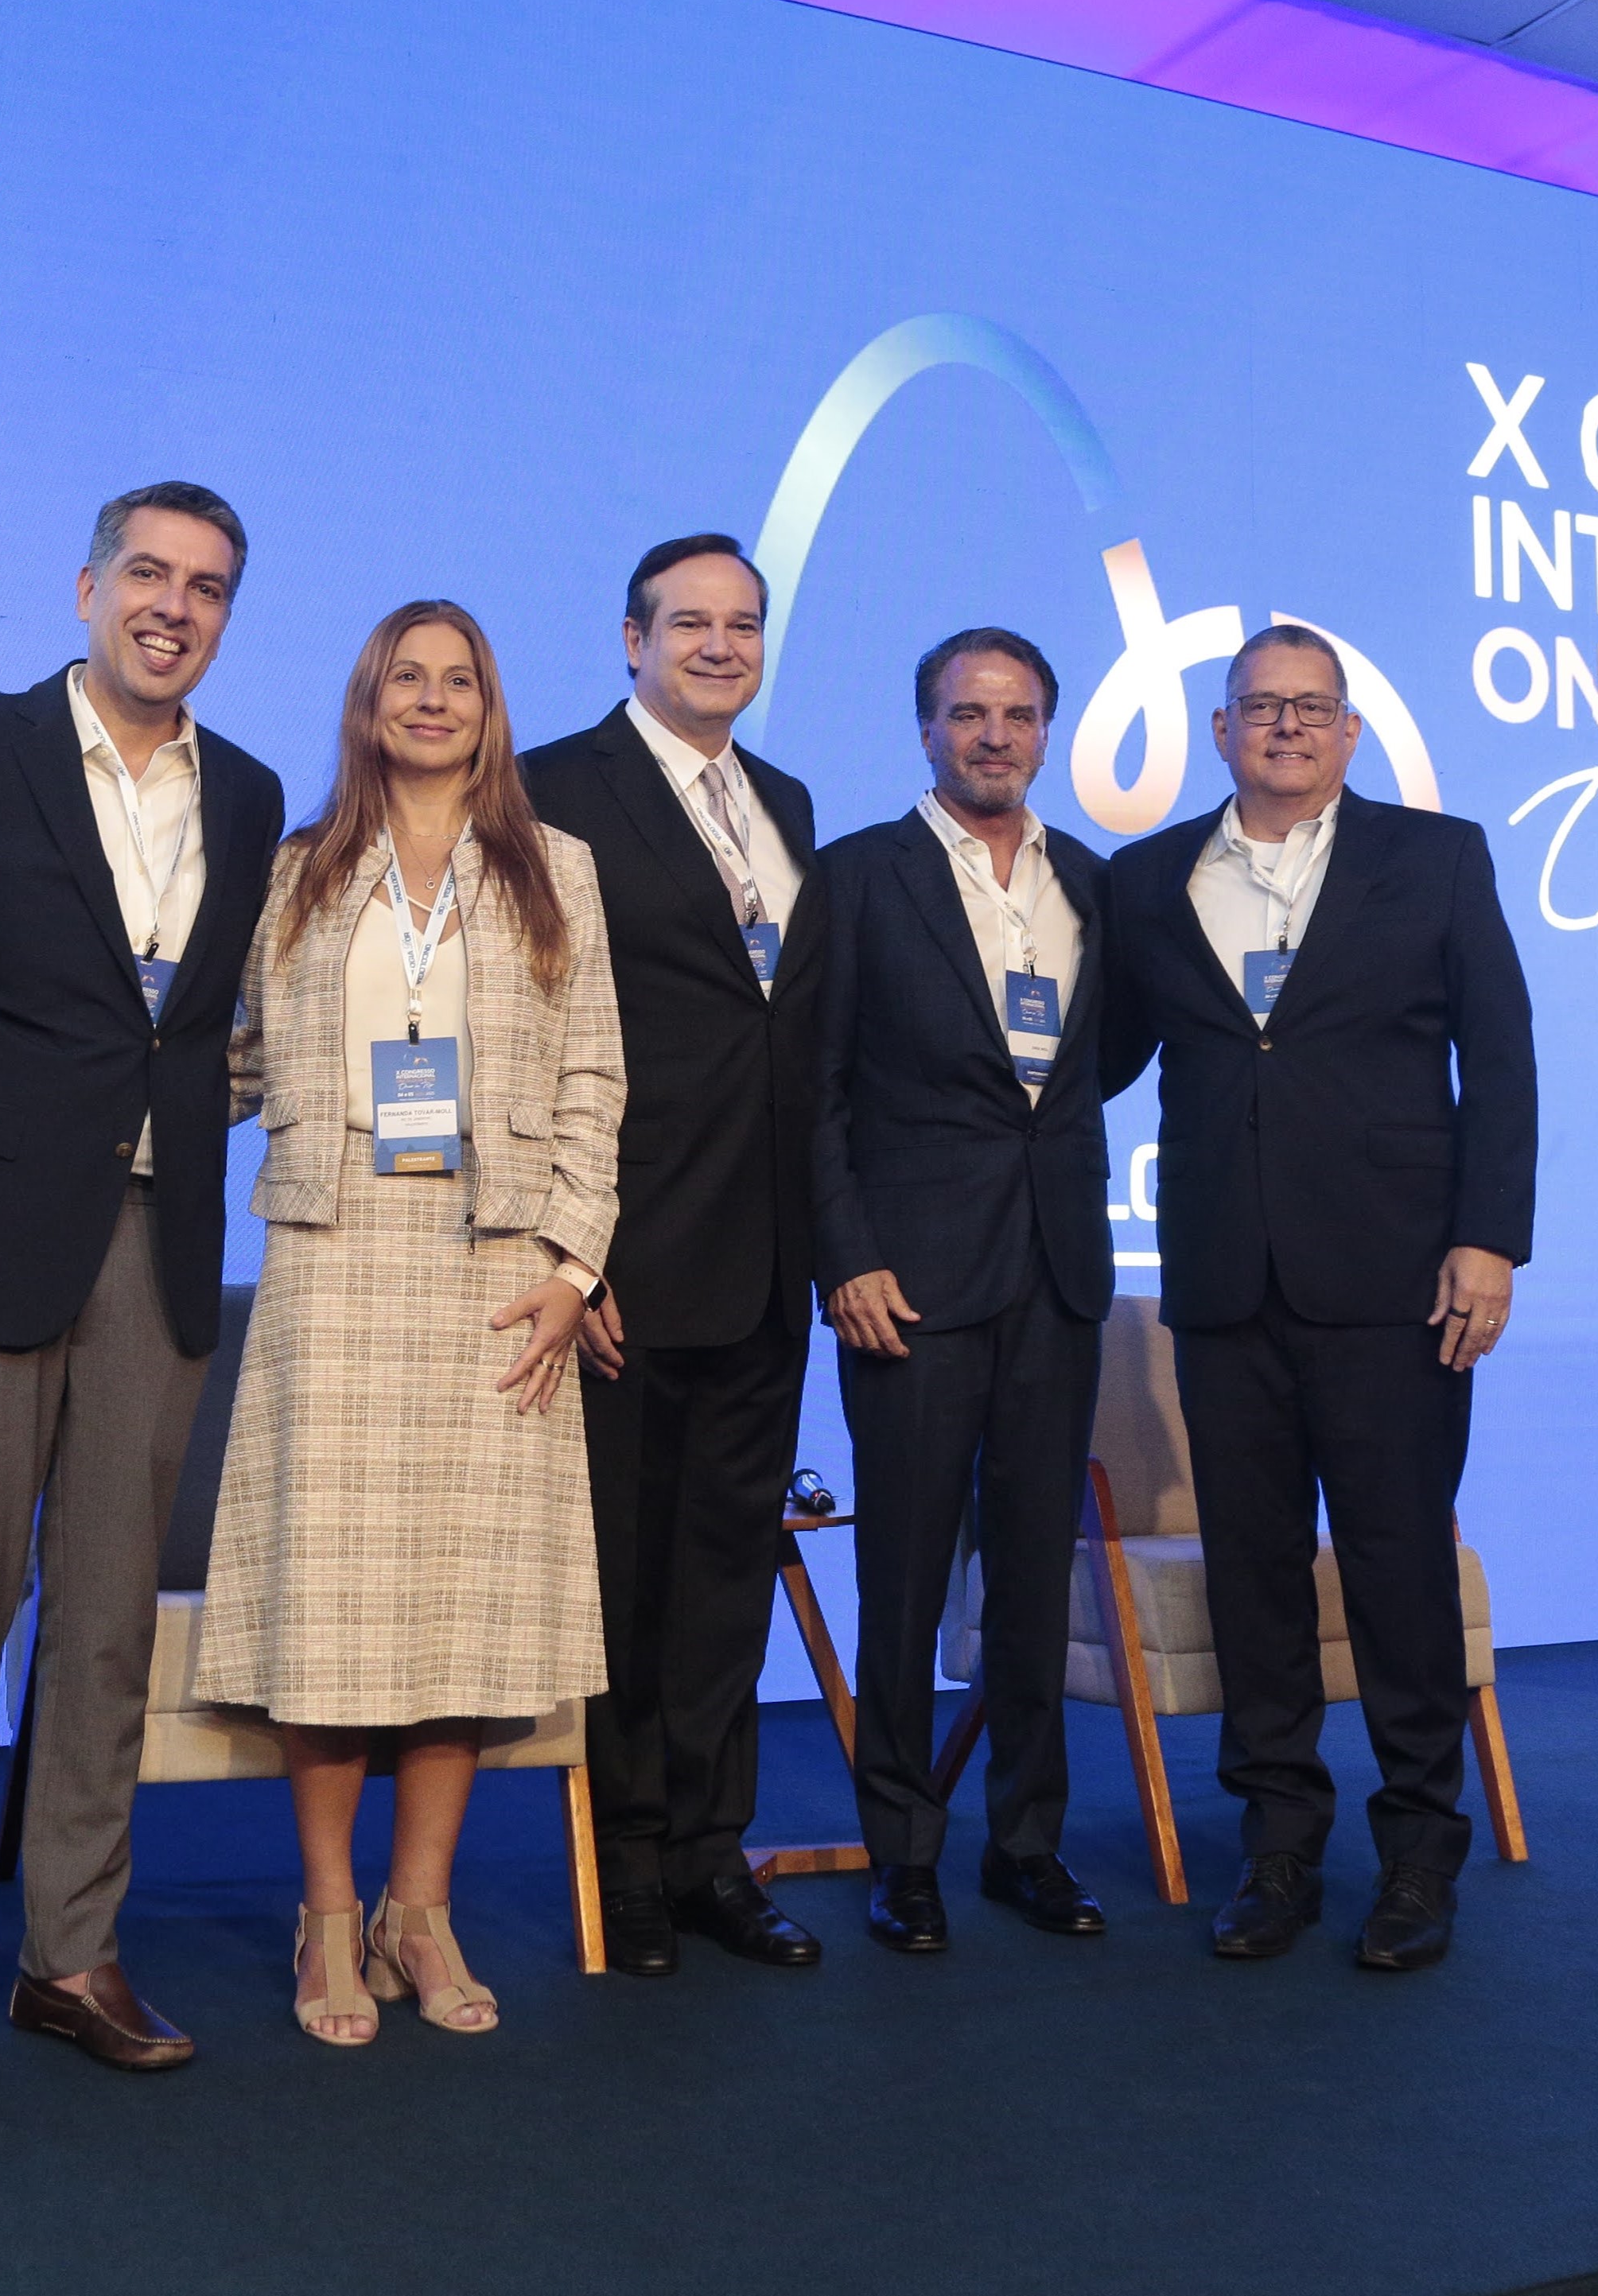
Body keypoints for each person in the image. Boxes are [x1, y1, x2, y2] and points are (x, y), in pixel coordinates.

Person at [0, 484, 283, 2090]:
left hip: (156, 1244)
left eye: (207, 586)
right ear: (86, 586)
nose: (173, 605)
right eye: (147, 574)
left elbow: (203, 1021)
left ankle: (73, 1955)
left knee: (105, 1623)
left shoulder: (249, 792)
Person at [195, 600, 621, 2045]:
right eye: (406, 678)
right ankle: (328, 1914)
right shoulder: (294, 868)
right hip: (332, 1252)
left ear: (488, 708)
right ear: (366, 699)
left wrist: (574, 1261)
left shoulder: (557, 867)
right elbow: (228, 1059)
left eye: (458, 681)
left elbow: (594, 1081)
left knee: (461, 1605)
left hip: (498, 1258)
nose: (431, 701)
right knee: (332, 1604)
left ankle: (417, 1910)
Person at [1101, 622, 1534, 1973]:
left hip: (1397, 1280)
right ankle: (1277, 1845)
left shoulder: (1436, 857)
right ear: (1219, 730)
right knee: (1253, 1576)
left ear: (1349, 731)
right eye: (1258, 705)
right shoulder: (1146, 877)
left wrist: (1488, 1240)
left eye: (1310, 706)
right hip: (1226, 1281)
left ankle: (1418, 1853)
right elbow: (1095, 1059)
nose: (1284, 725)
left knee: (1399, 1572)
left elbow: (1501, 1057)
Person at [521, 536, 826, 1974]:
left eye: (741, 624)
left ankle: (715, 1853)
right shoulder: (554, 789)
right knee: (626, 1582)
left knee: (726, 1576)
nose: (718, 645)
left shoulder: (786, 802)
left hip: (766, 1259)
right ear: (630, 638)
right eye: (688, 622)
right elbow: (524, 1033)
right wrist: (570, 1253)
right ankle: (627, 1860)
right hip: (624, 1265)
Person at [812, 629, 1116, 1954]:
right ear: (925, 727)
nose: (994, 734)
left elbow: (1098, 1062)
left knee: (1034, 1575)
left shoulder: (1093, 884)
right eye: (967, 712)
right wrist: (844, 1255)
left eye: (1018, 713)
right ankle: (903, 1850)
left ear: (1046, 730)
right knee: (901, 1574)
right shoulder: (854, 876)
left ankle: (1026, 1842)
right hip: (907, 1282)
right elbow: (812, 1088)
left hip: (1057, 1270)